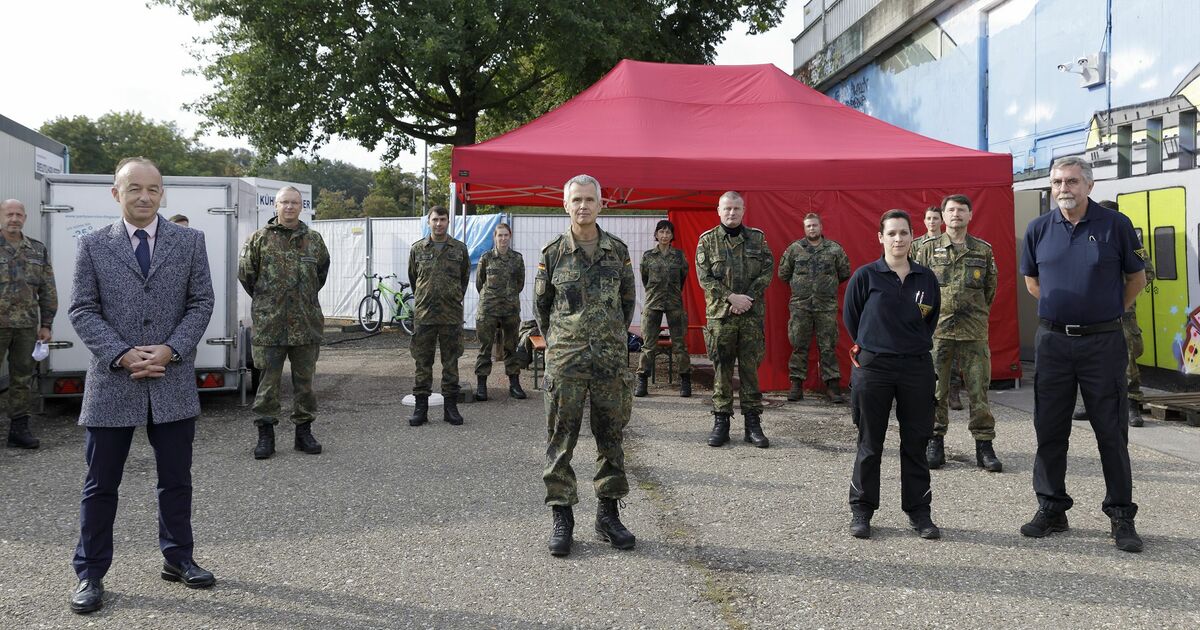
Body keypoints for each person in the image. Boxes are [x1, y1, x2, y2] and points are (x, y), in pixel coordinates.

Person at [67, 157, 217, 614]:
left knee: (176, 480)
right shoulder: (92, 246)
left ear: (163, 194)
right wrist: (121, 352)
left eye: (153, 189)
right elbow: (82, 309)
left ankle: (178, 558)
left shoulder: (190, 242)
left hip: (171, 381)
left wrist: (172, 349)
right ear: (117, 194)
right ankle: (90, 574)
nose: (145, 196)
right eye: (135, 188)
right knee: (100, 484)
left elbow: (201, 301)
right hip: (114, 381)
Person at [1020, 156, 1147, 553]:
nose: (1063, 189)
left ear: (1089, 186)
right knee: (1050, 429)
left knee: (1111, 432)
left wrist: (1103, 312)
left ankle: (1121, 515)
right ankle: (1052, 507)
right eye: (1058, 181)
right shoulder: (1038, 229)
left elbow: (1136, 279)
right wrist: (1065, 318)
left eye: (1072, 181)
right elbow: (1032, 281)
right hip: (1054, 343)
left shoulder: (1116, 226)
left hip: (1103, 343)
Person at [536, 174, 636, 557]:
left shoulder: (618, 251)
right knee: (561, 442)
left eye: (589, 199)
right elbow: (541, 310)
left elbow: (627, 303)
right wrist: (565, 343)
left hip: (610, 361)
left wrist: (607, 337)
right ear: (566, 205)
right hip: (567, 362)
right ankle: (562, 517)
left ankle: (608, 515)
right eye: (576, 199)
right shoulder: (552, 253)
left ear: (601, 204)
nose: (583, 206)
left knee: (611, 439)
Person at [843, 209, 941, 540]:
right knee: (870, 443)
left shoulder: (926, 279)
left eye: (904, 233)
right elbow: (852, 320)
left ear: (913, 237)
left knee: (916, 442)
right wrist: (877, 346)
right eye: (892, 233)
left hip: (916, 367)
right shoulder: (865, 276)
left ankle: (919, 512)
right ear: (881, 238)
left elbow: (930, 320)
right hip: (874, 368)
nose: (898, 239)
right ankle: (862, 510)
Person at [238, 186, 330, 459]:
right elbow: (247, 276)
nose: (289, 207)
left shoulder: (314, 240)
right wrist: (269, 302)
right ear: (275, 206)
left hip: (306, 322)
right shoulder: (259, 239)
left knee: (305, 383)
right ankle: (266, 435)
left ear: (302, 207)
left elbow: (320, 274)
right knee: (268, 383)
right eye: (284, 203)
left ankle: (304, 433)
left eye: (295, 203)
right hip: (271, 324)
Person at [914, 194, 1003, 473]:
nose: (955, 215)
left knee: (979, 391)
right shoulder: (927, 249)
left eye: (961, 210)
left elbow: (990, 287)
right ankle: (935, 441)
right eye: (950, 210)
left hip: (973, 332)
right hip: (937, 330)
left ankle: (984, 445)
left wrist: (974, 313)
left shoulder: (982, 250)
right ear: (942, 216)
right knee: (936, 390)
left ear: (970, 215)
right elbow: (918, 289)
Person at [695, 191, 774, 448]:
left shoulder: (758, 239)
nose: (731, 213)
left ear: (743, 211)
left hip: (750, 314)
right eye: (727, 208)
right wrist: (731, 298)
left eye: (736, 209)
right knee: (722, 370)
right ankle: (721, 423)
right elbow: (704, 277)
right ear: (719, 210)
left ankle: (753, 424)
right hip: (720, 315)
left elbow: (767, 271)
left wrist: (746, 298)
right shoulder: (707, 241)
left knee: (750, 370)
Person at [1072, 199, 1155, 427]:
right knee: (1089, 359)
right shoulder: (1086, 240)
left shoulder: (1129, 241)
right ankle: (1091, 404)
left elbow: (1146, 272)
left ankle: (1132, 405)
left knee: (1127, 357)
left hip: (1122, 312)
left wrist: (1118, 290)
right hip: (1089, 312)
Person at [777, 213, 850, 403]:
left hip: (826, 306)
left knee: (828, 346)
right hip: (800, 306)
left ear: (821, 227)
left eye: (815, 225)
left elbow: (844, 272)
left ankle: (833, 387)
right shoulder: (795, 249)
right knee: (799, 345)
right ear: (804, 228)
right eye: (808, 226)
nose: (812, 229)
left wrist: (825, 287)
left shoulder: (834, 249)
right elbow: (783, 273)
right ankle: (796, 385)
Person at [1, 199, 57, 449]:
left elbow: (47, 289)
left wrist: (46, 323)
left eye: (19, 214)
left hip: (25, 326)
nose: (14, 218)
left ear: (25, 217)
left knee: (22, 377)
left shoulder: (36, 249)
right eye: (9, 214)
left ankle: (18, 428)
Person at [407, 206, 470, 426]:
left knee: (450, 363)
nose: (439, 224)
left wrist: (450, 298)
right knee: (422, 363)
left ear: (448, 222)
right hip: (424, 316)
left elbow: (464, 280)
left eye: (443, 219)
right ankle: (420, 409)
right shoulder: (417, 249)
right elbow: (414, 280)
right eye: (435, 220)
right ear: (428, 221)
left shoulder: (459, 249)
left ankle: (450, 408)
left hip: (450, 316)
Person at [634, 219, 692, 398]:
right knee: (648, 345)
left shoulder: (679, 256)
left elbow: (683, 277)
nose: (665, 235)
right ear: (656, 235)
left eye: (668, 232)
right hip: (653, 303)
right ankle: (642, 380)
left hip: (674, 303)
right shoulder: (648, 256)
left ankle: (685, 380)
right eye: (661, 232)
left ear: (672, 235)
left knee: (680, 345)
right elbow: (645, 279)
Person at [474, 221, 527, 401]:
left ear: (510, 236)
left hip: (510, 309)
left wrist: (508, 296)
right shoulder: (486, 258)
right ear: (494, 237)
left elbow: (520, 283)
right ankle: (481, 386)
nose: (503, 238)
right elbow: (479, 283)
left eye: (506, 235)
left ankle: (514, 384)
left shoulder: (517, 259)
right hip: (488, 309)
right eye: (500, 235)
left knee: (511, 347)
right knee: (485, 348)